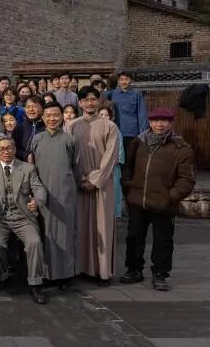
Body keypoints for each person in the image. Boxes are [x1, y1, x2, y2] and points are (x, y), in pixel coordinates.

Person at [120, 108, 195, 291]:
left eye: (164, 121)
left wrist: (172, 196)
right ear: (150, 122)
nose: (159, 124)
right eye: (155, 121)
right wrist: (128, 186)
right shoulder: (139, 142)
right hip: (138, 199)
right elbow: (128, 166)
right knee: (134, 236)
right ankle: (134, 269)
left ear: (170, 123)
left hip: (164, 203)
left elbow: (186, 179)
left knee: (163, 240)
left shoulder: (181, 147)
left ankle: (160, 273)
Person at [68, 86, 120, 286]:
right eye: (85, 100)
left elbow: (111, 156)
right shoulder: (72, 126)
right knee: (81, 226)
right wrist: (80, 179)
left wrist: (95, 180)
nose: (89, 103)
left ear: (99, 101)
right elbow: (69, 156)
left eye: (93, 99)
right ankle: (81, 268)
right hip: (79, 184)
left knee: (102, 227)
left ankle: (103, 272)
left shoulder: (110, 126)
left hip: (102, 185)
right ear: (80, 103)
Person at [0, 136, 47, 304]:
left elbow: (39, 188)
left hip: (23, 217)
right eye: (2, 149)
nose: (6, 152)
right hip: (1, 218)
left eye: (9, 148)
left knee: (34, 242)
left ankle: (35, 284)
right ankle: (3, 275)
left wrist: (37, 201)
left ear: (14, 149)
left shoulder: (27, 168)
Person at [28, 102, 77, 286]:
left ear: (62, 117)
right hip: (43, 193)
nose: (52, 119)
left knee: (64, 234)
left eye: (56, 115)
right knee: (45, 233)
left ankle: (65, 274)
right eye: (48, 115)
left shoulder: (69, 139)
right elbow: (32, 166)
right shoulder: (37, 139)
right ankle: (45, 273)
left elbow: (75, 165)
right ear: (42, 118)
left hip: (64, 193)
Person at [107, 71, 150, 152]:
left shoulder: (137, 94)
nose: (124, 82)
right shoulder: (113, 93)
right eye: (121, 79)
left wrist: (143, 134)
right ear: (118, 81)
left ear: (131, 80)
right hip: (116, 131)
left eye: (126, 79)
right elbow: (100, 97)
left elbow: (142, 114)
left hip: (132, 131)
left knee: (130, 155)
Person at [14, 96, 45, 161]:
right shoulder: (19, 128)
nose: (31, 109)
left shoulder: (47, 128)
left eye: (34, 106)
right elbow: (13, 149)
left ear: (42, 108)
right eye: (28, 107)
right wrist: (26, 155)